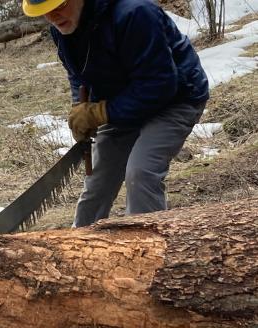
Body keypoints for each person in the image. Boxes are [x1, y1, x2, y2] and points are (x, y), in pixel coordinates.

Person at [22, 0, 209, 226]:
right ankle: (78, 249)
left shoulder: (135, 13)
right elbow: (79, 75)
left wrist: (100, 112)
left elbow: (160, 84)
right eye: (45, 13)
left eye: (59, 7)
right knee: (97, 183)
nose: (53, 17)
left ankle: (145, 250)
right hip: (123, 102)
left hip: (175, 98)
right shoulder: (62, 27)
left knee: (141, 172)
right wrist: (81, 110)